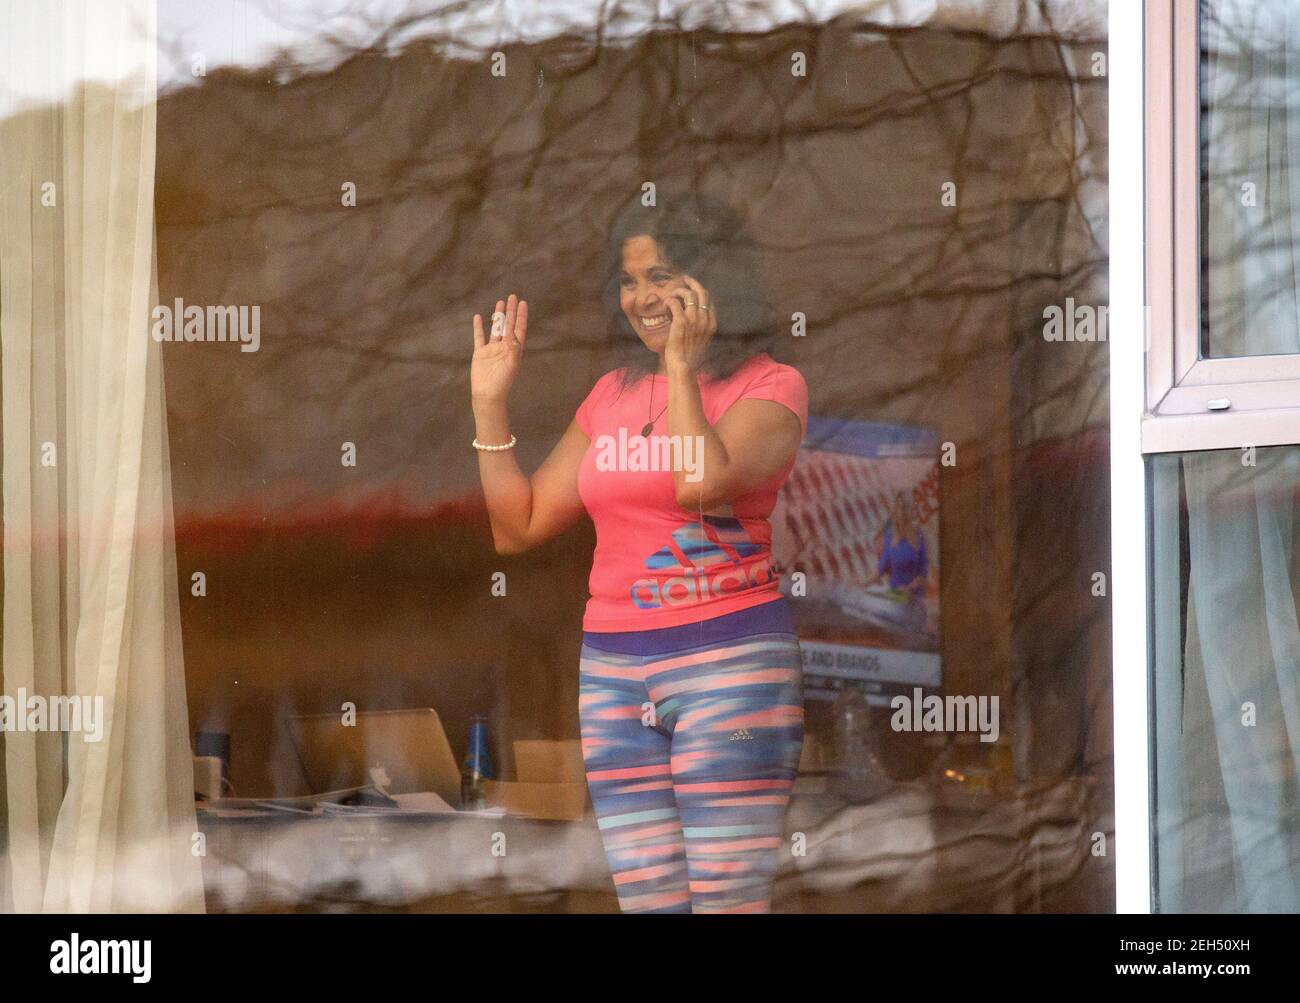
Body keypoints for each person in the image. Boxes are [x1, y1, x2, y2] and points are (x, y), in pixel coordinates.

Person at [468, 194, 808, 913]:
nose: (643, 297)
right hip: (615, 672)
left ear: (716, 281)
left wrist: (683, 370)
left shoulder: (771, 387)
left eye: (663, 275)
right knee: (649, 906)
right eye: (628, 281)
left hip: (728, 665)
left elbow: (700, 482)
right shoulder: (611, 395)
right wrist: (489, 405)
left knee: (726, 903)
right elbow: (518, 525)